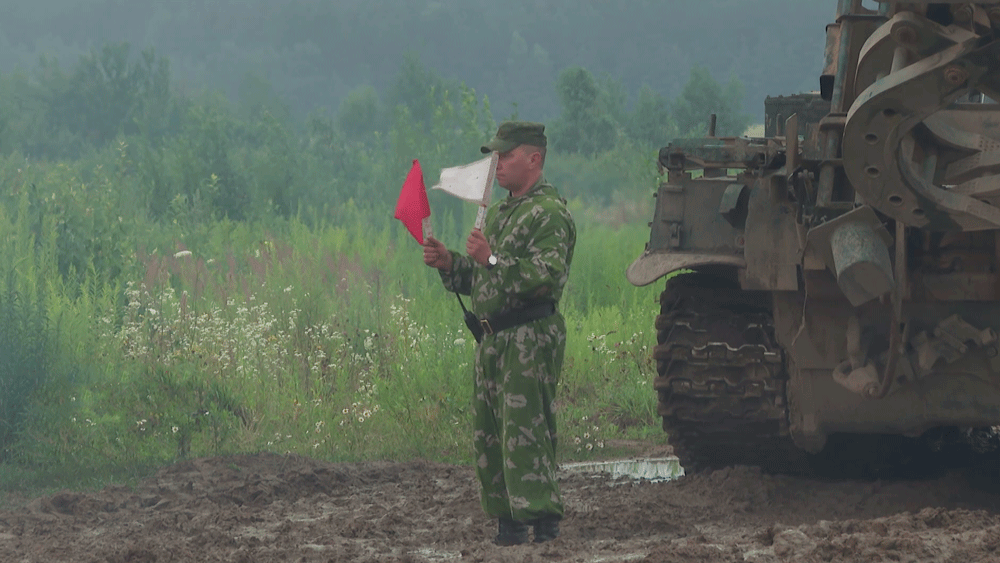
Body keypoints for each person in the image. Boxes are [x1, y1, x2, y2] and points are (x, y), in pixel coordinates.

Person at [422, 121, 576, 546]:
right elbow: (484, 280)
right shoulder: (505, 211)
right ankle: (508, 521)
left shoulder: (549, 214)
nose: (498, 164)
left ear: (534, 159)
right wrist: (451, 264)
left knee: (526, 429)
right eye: (495, 156)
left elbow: (545, 277)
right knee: (491, 434)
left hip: (529, 336)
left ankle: (543, 524)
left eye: (505, 155)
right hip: (493, 339)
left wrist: (490, 260)